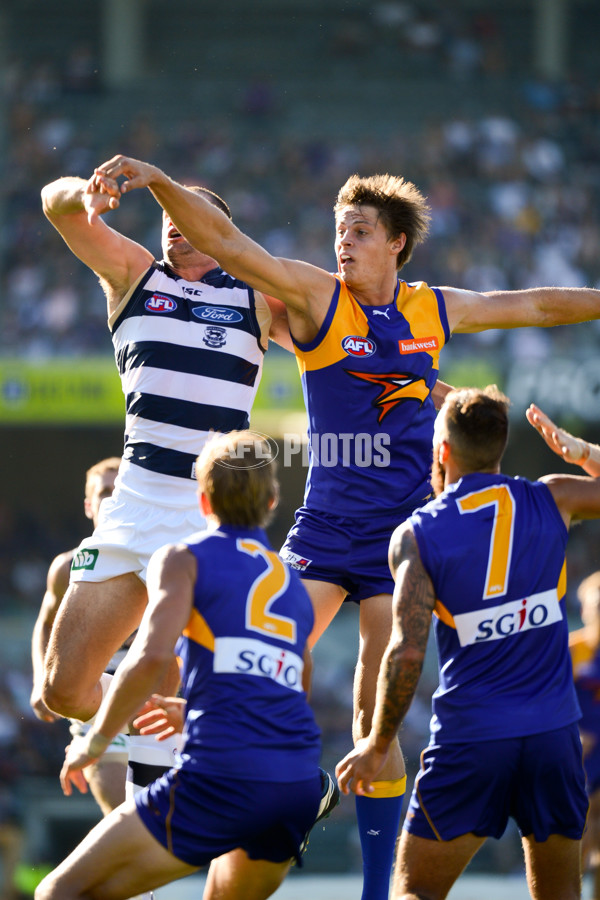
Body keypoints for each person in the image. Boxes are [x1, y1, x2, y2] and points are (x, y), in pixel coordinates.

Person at [89, 155, 600, 899]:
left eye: (359, 230)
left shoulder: (432, 309)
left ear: (397, 242)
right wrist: (160, 181)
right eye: (338, 230)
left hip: (402, 543)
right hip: (325, 532)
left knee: (374, 720)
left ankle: (369, 890)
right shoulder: (315, 297)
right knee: (253, 650)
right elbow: (232, 248)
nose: (343, 242)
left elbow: (535, 306)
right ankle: (220, 802)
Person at [39, 170, 291, 804]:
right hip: (134, 508)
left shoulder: (259, 297)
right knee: (62, 690)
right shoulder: (137, 277)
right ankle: (135, 723)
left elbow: (353, 354)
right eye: (165, 216)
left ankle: (192, 773)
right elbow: (55, 206)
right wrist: (85, 196)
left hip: (211, 515)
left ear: (223, 231)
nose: (174, 222)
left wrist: (433, 391)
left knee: (180, 704)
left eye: (190, 214)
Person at [35, 431, 328, 900]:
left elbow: (150, 657)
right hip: (294, 783)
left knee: (58, 892)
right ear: (273, 500)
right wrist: (194, 713)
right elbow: (298, 679)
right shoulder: (288, 579)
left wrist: (95, 740)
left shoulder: (184, 557)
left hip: (222, 776)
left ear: (203, 501)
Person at [335, 386, 600, 900]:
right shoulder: (554, 496)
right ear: (499, 447)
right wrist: (583, 453)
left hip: (471, 740)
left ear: (442, 452)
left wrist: (377, 743)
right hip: (554, 738)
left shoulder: (417, 534)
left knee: (416, 892)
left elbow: (407, 650)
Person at [30, 456, 132, 817]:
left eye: (119, 490)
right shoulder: (68, 566)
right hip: (96, 699)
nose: (112, 498)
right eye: (103, 492)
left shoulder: (168, 557)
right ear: (89, 505)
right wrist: (44, 680)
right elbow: (45, 624)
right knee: (122, 806)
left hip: (157, 695)